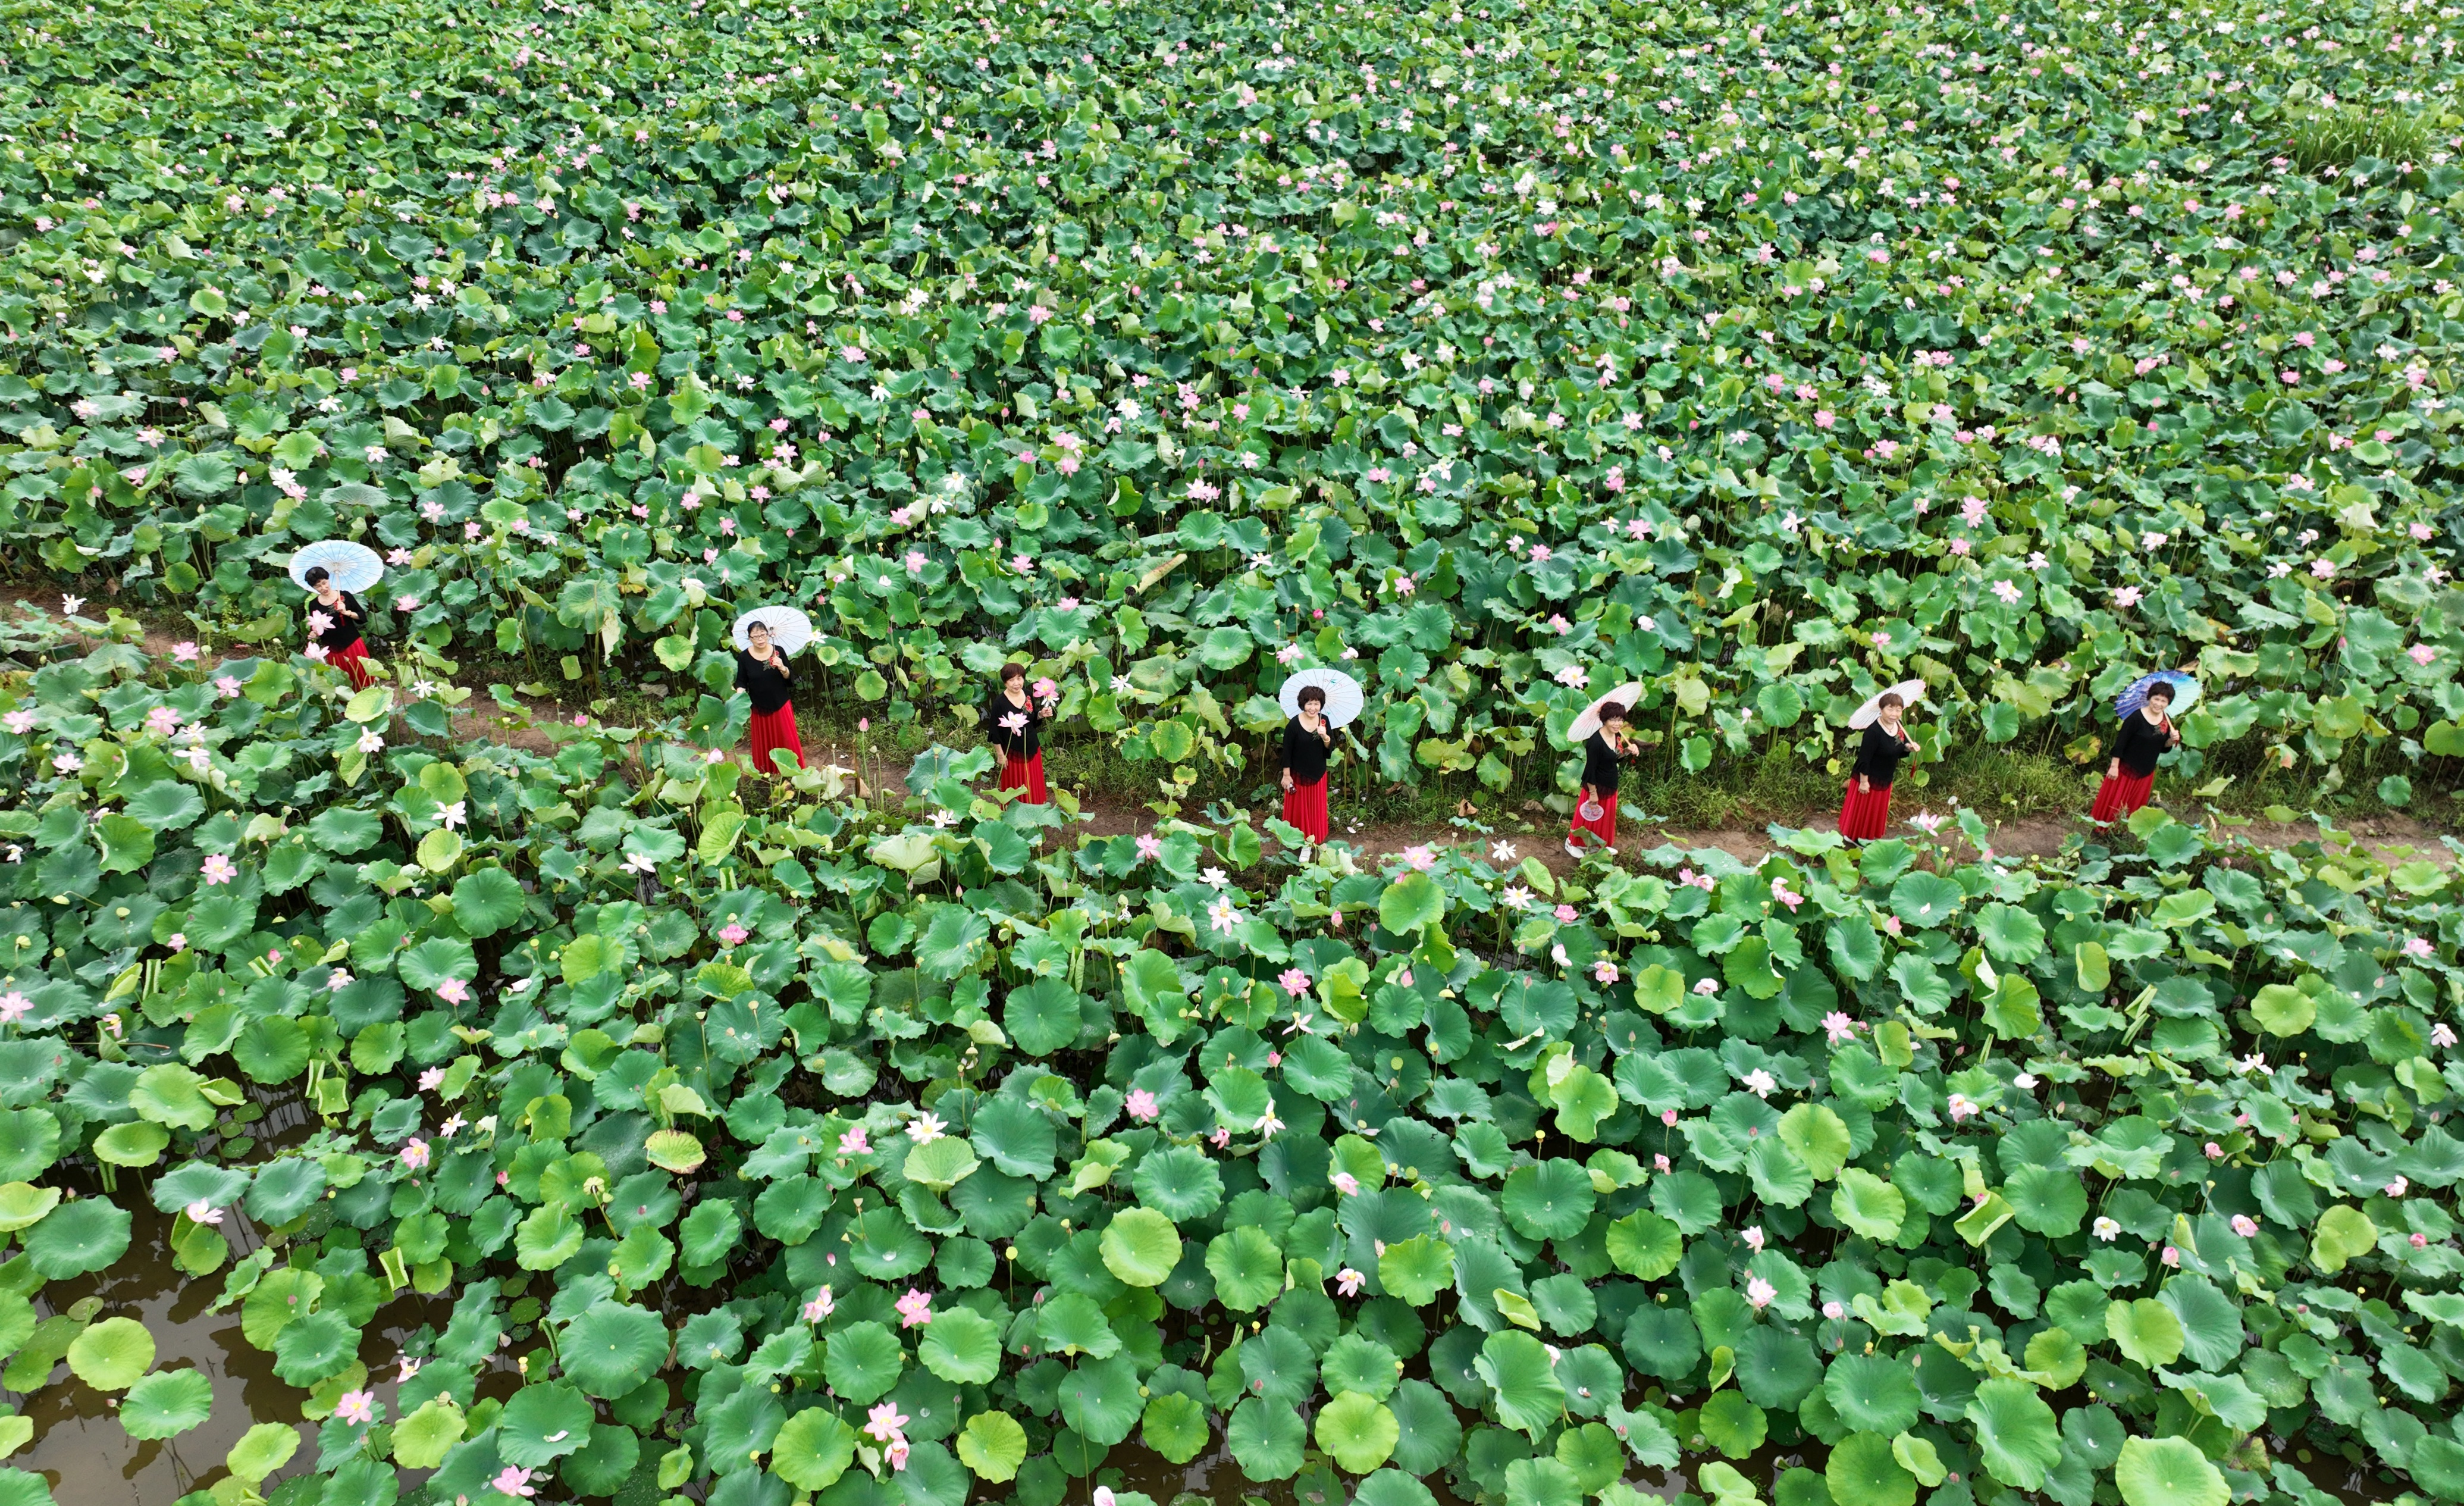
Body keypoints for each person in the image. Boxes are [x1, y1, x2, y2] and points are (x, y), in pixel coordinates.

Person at [2092, 680, 2180, 824]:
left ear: (2168, 703)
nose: (2159, 704)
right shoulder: (2136, 718)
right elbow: (2120, 743)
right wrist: (2114, 767)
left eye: (2164, 701)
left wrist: (2170, 739)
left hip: (2146, 773)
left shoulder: (2166, 721)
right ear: (2149, 698)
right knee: (2115, 803)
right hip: (2125, 770)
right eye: (2156, 699)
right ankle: (2104, 830)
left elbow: (2163, 748)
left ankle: (2123, 833)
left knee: (2134, 808)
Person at [1840, 693, 1918, 841]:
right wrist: (1864, 782)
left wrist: (1909, 747)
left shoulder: (1898, 727)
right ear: (1881, 709)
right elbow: (1864, 759)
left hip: (1885, 776)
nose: (1894, 714)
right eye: (1890, 709)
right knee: (1862, 811)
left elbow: (1897, 748)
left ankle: (1869, 837)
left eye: (1898, 710)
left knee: (1875, 811)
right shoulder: (1873, 732)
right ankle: (1852, 837)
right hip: (1869, 777)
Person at [735, 619, 804, 774]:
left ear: (768, 634)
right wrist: (740, 691)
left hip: (781, 704)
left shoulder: (778, 651)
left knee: (787, 739)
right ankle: (768, 772)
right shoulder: (744, 658)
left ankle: (793, 772)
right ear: (750, 638)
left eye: (763, 635)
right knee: (764, 742)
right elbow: (741, 680)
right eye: (756, 636)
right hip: (759, 707)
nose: (760, 639)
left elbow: (791, 677)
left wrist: (782, 667)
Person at [1567, 702, 1631, 857]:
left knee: (1606, 818)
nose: (1617, 724)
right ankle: (1572, 843)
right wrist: (1593, 793)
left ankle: (1600, 845)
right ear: (1605, 720)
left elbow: (1614, 758)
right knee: (1587, 817)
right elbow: (1590, 769)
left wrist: (1627, 752)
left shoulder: (1616, 736)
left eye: (1620, 720)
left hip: (1611, 784)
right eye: (1613, 720)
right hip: (1595, 785)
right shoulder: (1595, 742)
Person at [985, 662, 1051, 803]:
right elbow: (995, 732)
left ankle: (1036, 810)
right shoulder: (1000, 703)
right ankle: (1015, 815)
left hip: (1033, 748)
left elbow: (1032, 722)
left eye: (1019, 678)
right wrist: (1000, 755)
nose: (1016, 683)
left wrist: (1041, 714)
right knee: (1016, 785)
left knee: (1034, 782)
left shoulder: (1028, 695)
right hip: (1013, 752)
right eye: (1012, 680)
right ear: (1005, 683)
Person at [303, 566, 374, 690]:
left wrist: (347, 613)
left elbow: (363, 617)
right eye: (318, 586)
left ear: (328, 579)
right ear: (314, 588)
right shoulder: (313, 604)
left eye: (324, 583)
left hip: (353, 644)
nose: (323, 588)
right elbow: (317, 626)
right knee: (342, 683)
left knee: (363, 678)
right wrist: (314, 633)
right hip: (333, 649)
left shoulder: (344, 596)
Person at [1280, 685, 1335, 844]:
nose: (1313, 708)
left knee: (1316, 810)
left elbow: (1329, 749)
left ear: (1321, 705)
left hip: (1318, 773)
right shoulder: (1294, 725)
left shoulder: (1324, 721)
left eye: (1317, 703)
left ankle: (1316, 840)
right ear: (1303, 704)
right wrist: (1287, 775)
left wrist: (1325, 737)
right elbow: (1287, 751)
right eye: (1309, 703)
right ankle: (1302, 842)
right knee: (1301, 812)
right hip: (1299, 775)